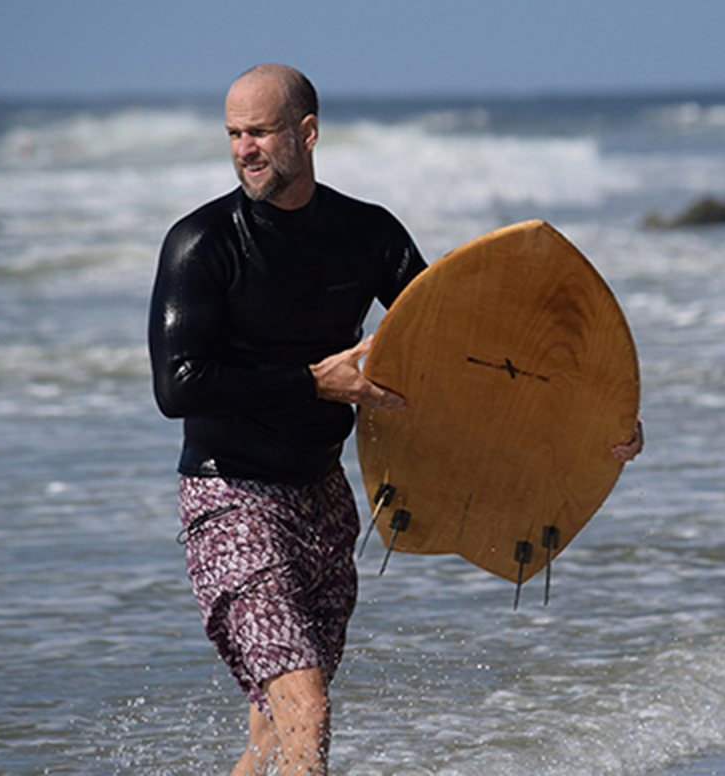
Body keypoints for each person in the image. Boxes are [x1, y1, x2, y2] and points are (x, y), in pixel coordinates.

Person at [148, 63, 643, 775]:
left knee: (273, 733)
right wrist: (314, 381)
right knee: (307, 709)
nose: (244, 149)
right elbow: (178, 386)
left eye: (260, 132)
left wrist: (593, 422)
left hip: (323, 504)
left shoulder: (367, 234)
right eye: (233, 134)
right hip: (230, 499)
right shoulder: (201, 243)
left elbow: (465, 354)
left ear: (307, 133)